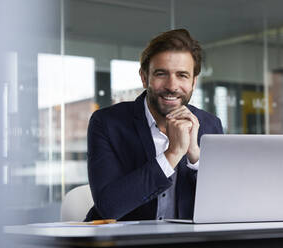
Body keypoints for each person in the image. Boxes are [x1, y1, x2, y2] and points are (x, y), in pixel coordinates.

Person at [85, 29, 223, 221]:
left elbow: (223, 204)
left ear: (193, 82)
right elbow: (109, 207)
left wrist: (195, 158)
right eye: (161, 74)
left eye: (182, 75)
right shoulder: (107, 123)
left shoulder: (210, 125)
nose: (172, 86)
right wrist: (172, 154)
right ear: (144, 77)